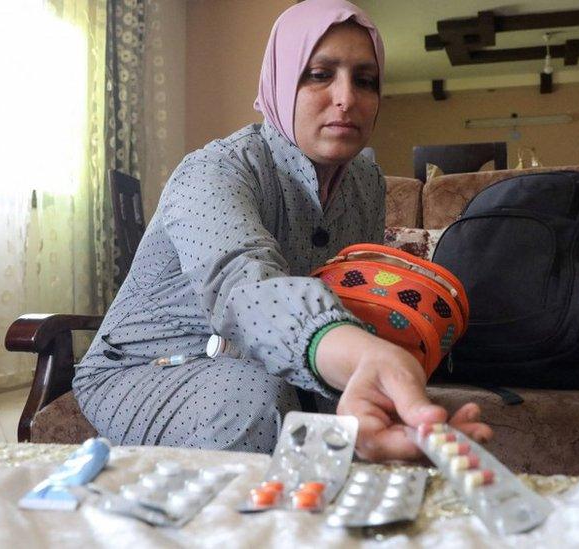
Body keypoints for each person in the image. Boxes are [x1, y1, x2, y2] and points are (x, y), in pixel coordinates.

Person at [73, 0, 491, 462]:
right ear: (279, 80)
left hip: (272, 361)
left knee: (360, 421)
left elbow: (352, 289)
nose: (346, 98)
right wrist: (354, 356)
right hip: (147, 367)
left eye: (366, 80)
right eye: (319, 74)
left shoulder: (365, 181)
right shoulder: (215, 170)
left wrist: (372, 388)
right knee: (252, 400)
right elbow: (244, 286)